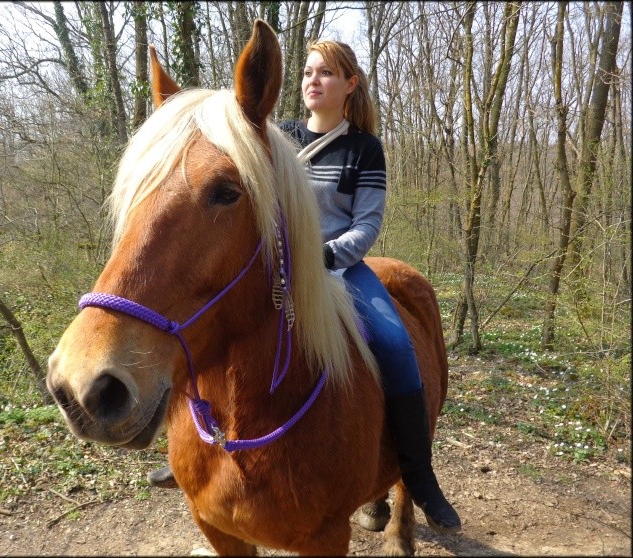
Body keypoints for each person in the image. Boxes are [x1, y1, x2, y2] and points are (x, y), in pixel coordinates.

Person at [149, 39, 461, 534]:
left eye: (328, 73)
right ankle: (192, 449)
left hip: (338, 266)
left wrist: (321, 257)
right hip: (272, 267)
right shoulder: (277, 138)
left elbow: (366, 223)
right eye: (308, 71)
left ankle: (419, 476)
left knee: (396, 345)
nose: (314, 80)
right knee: (204, 330)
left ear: (350, 85)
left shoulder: (364, 149)